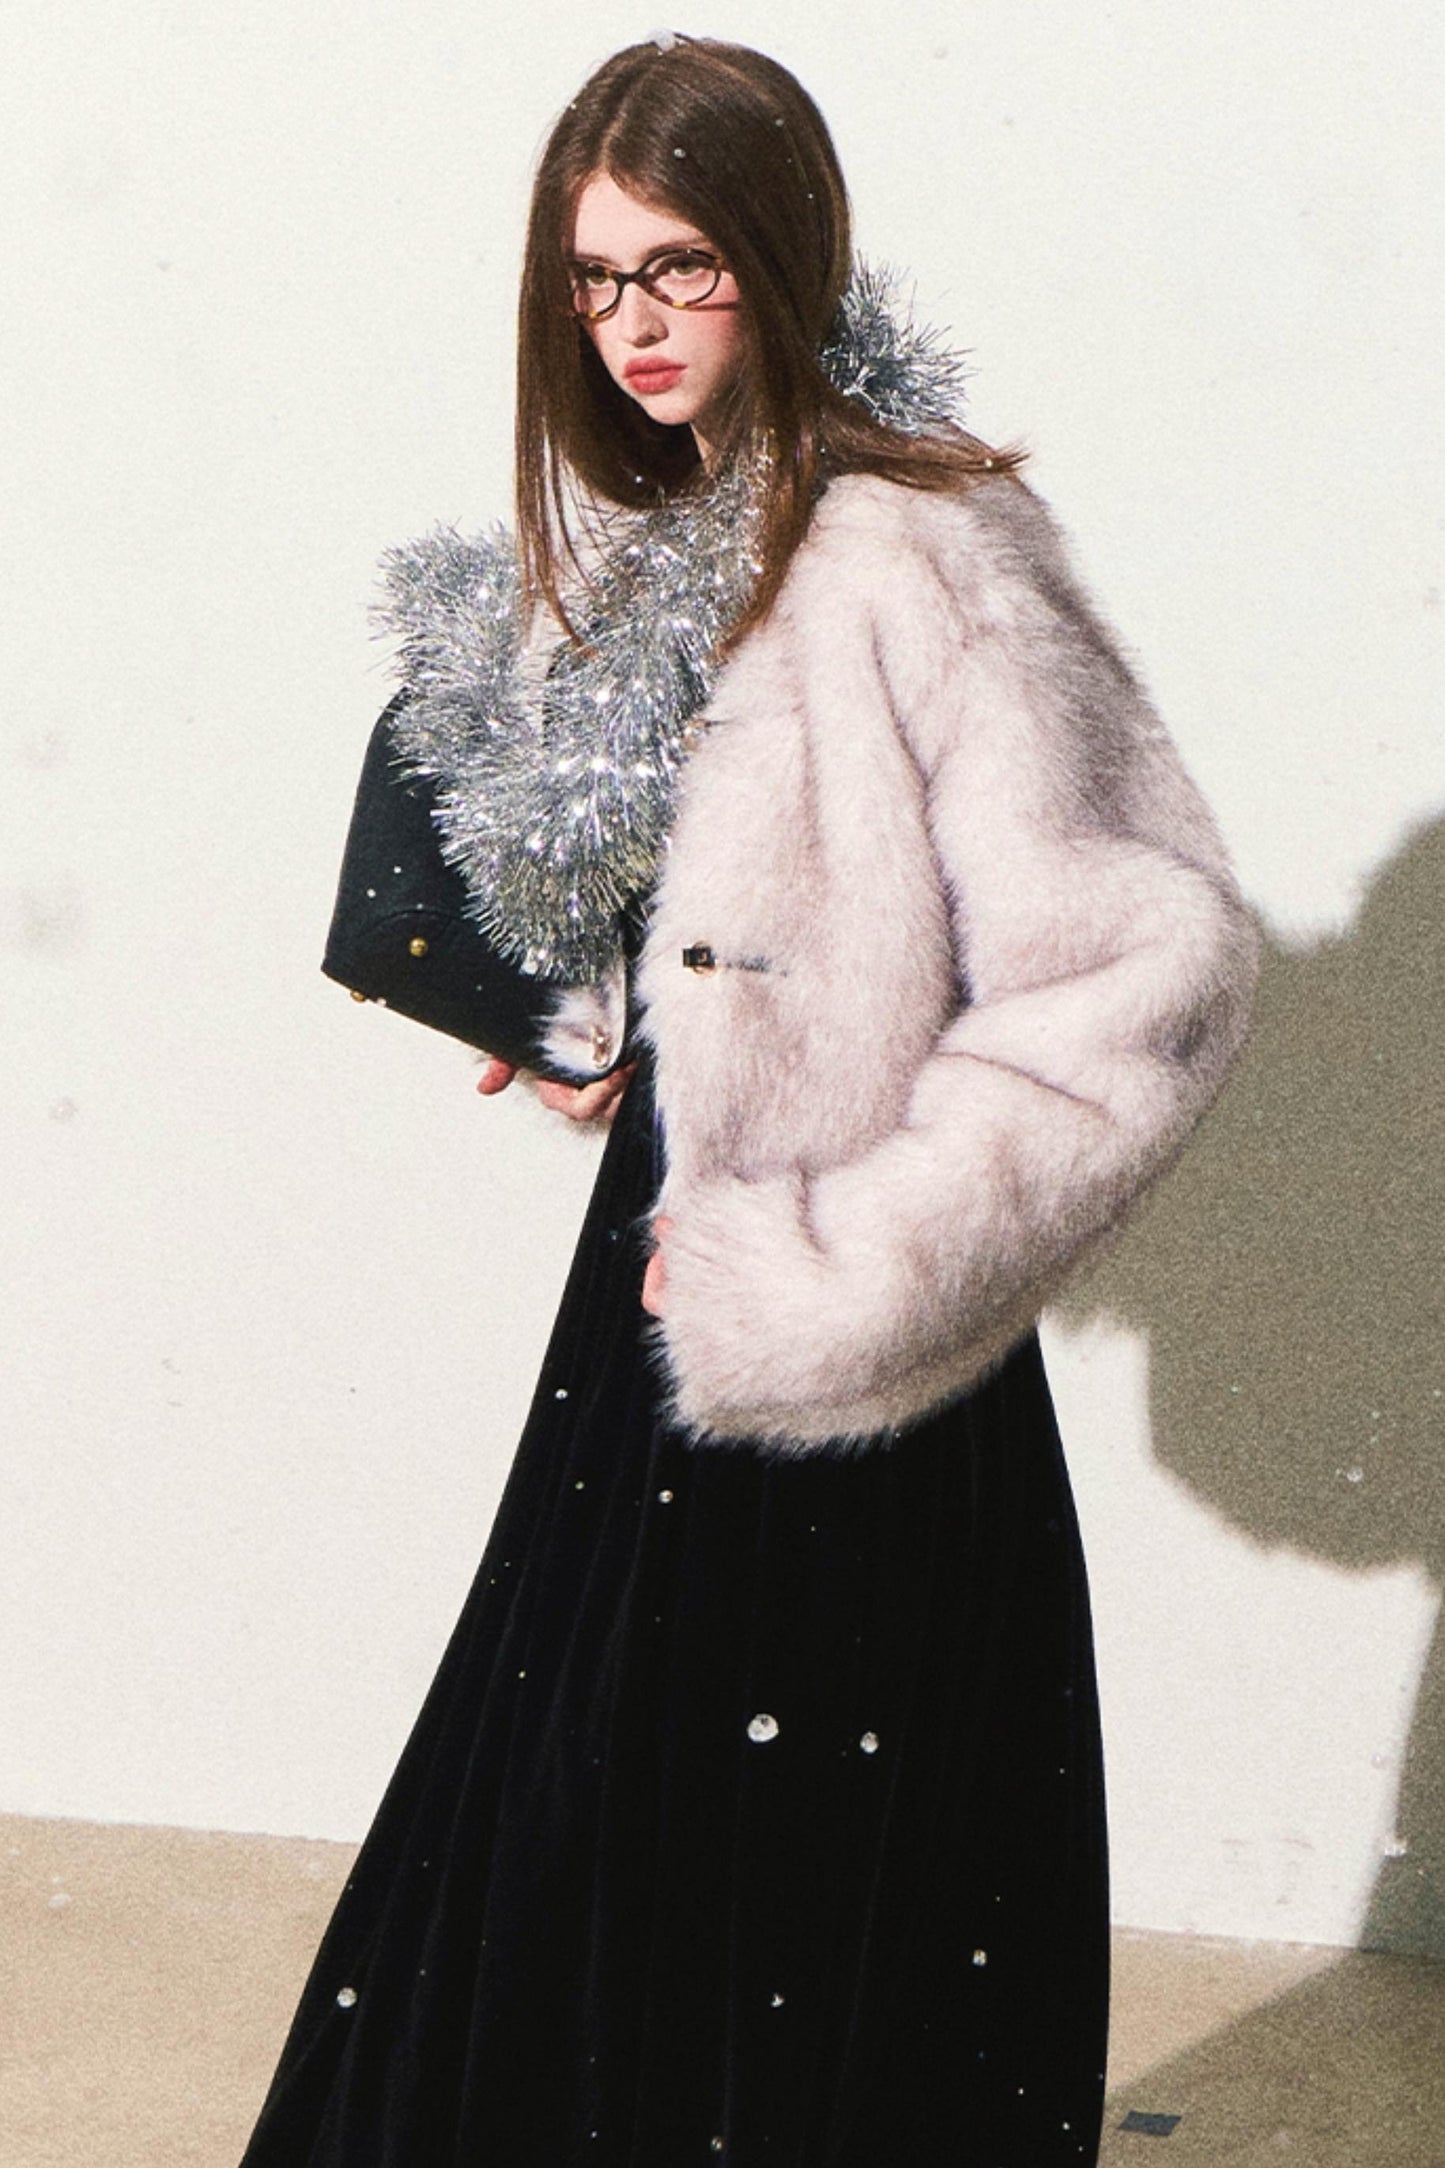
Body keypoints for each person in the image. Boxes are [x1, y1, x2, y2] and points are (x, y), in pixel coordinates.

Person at [240, 35, 1257, 2168]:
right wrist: (613, 1025)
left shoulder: (923, 551)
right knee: (580, 1845)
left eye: (680, 267)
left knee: (766, 1892)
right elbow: (764, 909)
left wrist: (842, 1269)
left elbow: (1142, 971)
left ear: (781, 253)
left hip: (843, 1350)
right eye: (595, 278)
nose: (632, 325)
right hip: (663, 1288)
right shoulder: (688, 542)